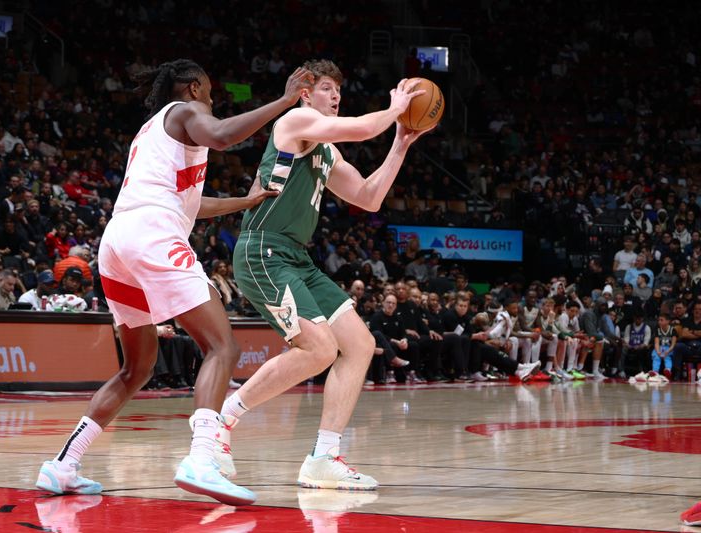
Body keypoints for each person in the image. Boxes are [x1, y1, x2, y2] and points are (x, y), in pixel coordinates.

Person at [36, 59, 313, 507]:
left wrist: (248, 199)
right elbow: (223, 135)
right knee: (223, 347)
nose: (212, 101)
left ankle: (63, 465)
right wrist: (283, 101)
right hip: (152, 236)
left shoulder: (152, 134)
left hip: (118, 243)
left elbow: (190, 204)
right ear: (192, 88)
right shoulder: (184, 112)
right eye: (209, 92)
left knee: (136, 369)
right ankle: (201, 460)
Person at [224, 60, 430, 491]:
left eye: (339, 89)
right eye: (327, 88)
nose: (335, 96)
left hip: (296, 257)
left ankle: (324, 457)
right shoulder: (295, 121)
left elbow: (369, 198)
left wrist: (401, 142)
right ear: (305, 93)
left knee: (360, 344)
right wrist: (394, 109)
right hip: (263, 249)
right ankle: (221, 423)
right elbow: (360, 128)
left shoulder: (325, 151)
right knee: (318, 349)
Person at [651, 313, 677, 380]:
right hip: (660, 348)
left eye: (661, 320)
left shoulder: (672, 330)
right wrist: (658, 351)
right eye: (659, 320)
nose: (659, 322)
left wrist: (667, 351)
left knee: (667, 357)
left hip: (669, 349)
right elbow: (656, 343)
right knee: (656, 356)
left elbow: (673, 344)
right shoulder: (657, 330)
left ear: (668, 321)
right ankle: (655, 372)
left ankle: (668, 370)